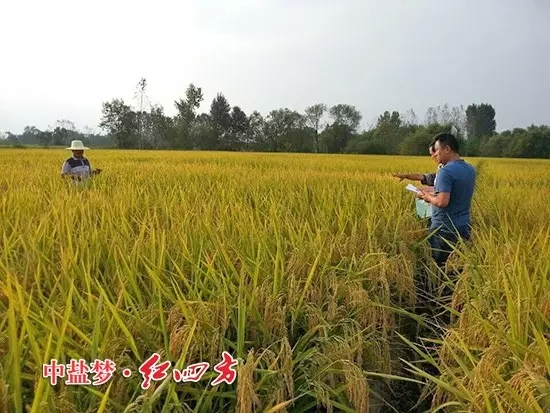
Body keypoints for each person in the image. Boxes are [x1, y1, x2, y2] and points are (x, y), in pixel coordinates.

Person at [415, 133, 476, 270]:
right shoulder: (470, 169)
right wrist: (432, 193)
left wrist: (426, 197)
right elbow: (455, 193)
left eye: (437, 150)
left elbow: (442, 202)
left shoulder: (446, 172)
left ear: (447, 149)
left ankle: (440, 290)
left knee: (439, 268)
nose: (435, 154)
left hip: (444, 228)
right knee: (457, 267)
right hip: (464, 226)